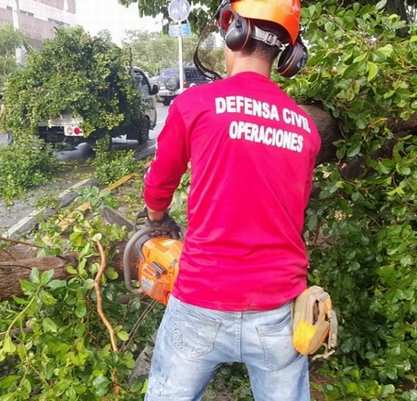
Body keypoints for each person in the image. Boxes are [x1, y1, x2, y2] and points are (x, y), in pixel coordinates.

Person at [142, 1, 321, 400]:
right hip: (276, 310)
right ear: (288, 54)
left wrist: (157, 218)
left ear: (234, 32)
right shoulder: (305, 127)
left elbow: (158, 188)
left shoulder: (195, 104)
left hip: (199, 302)